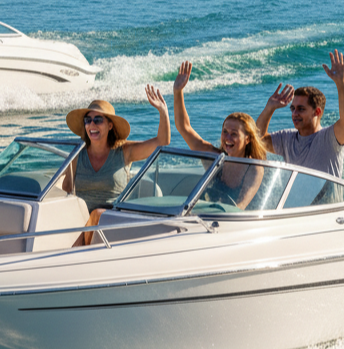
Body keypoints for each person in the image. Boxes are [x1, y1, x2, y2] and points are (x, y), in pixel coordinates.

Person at [62, 90, 169, 244]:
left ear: (110, 125)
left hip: (114, 220)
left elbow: (162, 142)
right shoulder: (77, 154)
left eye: (98, 120)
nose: (92, 124)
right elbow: (66, 194)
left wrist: (163, 112)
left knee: (97, 214)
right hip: (83, 222)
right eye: (88, 120)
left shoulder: (124, 151)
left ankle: (78, 254)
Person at [172, 61, 267, 209]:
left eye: (234, 134)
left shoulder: (254, 168)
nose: (227, 138)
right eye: (225, 132)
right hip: (210, 220)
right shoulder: (214, 158)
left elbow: (239, 208)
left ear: (247, 139)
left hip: (240, 225)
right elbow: (184, 127)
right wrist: (178, 91)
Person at [255, 49, 344, 178]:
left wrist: (340, 83)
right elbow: (258, 140)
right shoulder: (287, 138)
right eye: (293, 109)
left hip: (330, 199)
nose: (295, 113)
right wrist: (269, 108)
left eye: (301, 109)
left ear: (317, 112)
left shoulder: (330, 138)